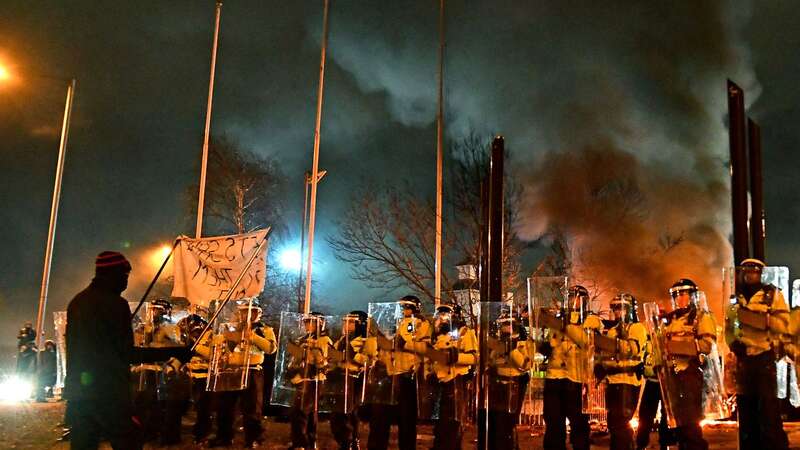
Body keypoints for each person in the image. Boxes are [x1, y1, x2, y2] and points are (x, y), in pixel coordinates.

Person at [64, 251, 190, 450]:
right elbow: (128, 354)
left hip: (79, 393)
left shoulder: (77, 302)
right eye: (125, 275)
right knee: (128, 442)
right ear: (113, 274)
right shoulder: (116, 304)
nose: (126, 281)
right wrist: (176, 353)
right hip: (109, 393)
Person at [727, 258, 790, 450]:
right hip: (743, 361)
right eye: (746, 270)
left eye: (754, 270)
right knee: (746, 411)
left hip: (764, 357)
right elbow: (729, 328)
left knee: (768, 411)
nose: (749, 274)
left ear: (761, 273)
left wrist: (763, 323)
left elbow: (783, 323)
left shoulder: (771, 295)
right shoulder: (736, 299)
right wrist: (733, 344)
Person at [647, 278, 716, 450]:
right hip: (673, 375)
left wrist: (678, 347)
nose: (679, 299)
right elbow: (660, 346)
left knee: (691, 424)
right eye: (676, 295)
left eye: (683, 295)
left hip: (690, 373)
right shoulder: (670, 320)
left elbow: (707, 345)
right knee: (678, 425)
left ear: (692, 296)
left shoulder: (700, 317)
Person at [198, 301, 277, 448]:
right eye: (242, 311)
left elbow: (271, 349)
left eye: (250, 311)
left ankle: (253, 438)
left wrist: (253, 337)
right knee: (225, 406)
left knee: (252, 408)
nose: (245, 314)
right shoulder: (231, 327)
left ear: (257, 313)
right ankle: (224, 436)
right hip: (231, 370)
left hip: (252, 371)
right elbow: (220, 344)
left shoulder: (264, 329)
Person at [365, 295, 432, 450]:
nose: (403, 310)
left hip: (407, 376)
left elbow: (426, 348)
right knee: (379, 420)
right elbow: (388, 346)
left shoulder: (421, 324)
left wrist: (405, 343)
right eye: (402, 307)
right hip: (389, 376)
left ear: (415, 308)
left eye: (407, 307)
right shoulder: (396, 323)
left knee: (406, 422)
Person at [538, 285, 602, 450]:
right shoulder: (559, 319)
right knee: (553, 422)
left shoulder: (591, 319)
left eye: (576, 297)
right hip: (554, 377)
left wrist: (566, 326)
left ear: (584, 300)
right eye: (570, 297)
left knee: (579, 424)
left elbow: (588, 342)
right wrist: (543, 345)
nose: (573, 301)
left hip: (576, 377)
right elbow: (551, 342)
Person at [595, 293, 647, 450]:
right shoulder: (612, 331)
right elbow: (605, 355)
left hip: (628, 382)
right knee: (613, 423)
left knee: (621, 423)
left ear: (630, 310)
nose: (617, 312)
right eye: (615, 308)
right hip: (613, 382)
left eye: (621, 308)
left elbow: (631, 349)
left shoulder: (638, 328)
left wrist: (605, 342)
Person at [430, 303, 477, 450]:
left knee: (452, 423)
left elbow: (474, 358)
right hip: (438, 382)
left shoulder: (464, 332)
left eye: (445, 315)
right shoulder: (436, 336)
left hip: (456, 382)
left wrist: (456, 357)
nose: (442, 319)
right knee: (439, 425)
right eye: (440, 316)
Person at [486, 306, 533, 450]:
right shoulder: (497, 343)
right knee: (496, 422)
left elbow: (525, 365)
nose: (505, 329)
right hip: (498, 383)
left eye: (508, 325)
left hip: (515, 383)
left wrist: (511, 350)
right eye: (503, 325)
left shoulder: (524, 343)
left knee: (508, 422)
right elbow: (491, 361)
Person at [288, 311, 332, 450]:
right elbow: (296, 359)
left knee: (300, 411)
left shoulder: (324, 340)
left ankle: (301, 443)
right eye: (306, 322)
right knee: (308, 412)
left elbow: (323, 364)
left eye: (310, 322)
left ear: (319, 324)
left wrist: (315, 350)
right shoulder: (303, 339)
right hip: (302, 377)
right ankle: (309, 442)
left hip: (313, 379)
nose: (307, 325)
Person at [328, 310, 371, 450]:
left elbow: (361, 361)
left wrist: (343, 359)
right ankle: (350, 442)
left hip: (353, 380)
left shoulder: (363, 341)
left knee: (344, 414)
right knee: (343, 415)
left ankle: (348, 443)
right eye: (345, 321)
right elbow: (332, 357)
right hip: (340, 379)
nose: (346, 324)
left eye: (351, 322)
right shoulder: (343, 339)